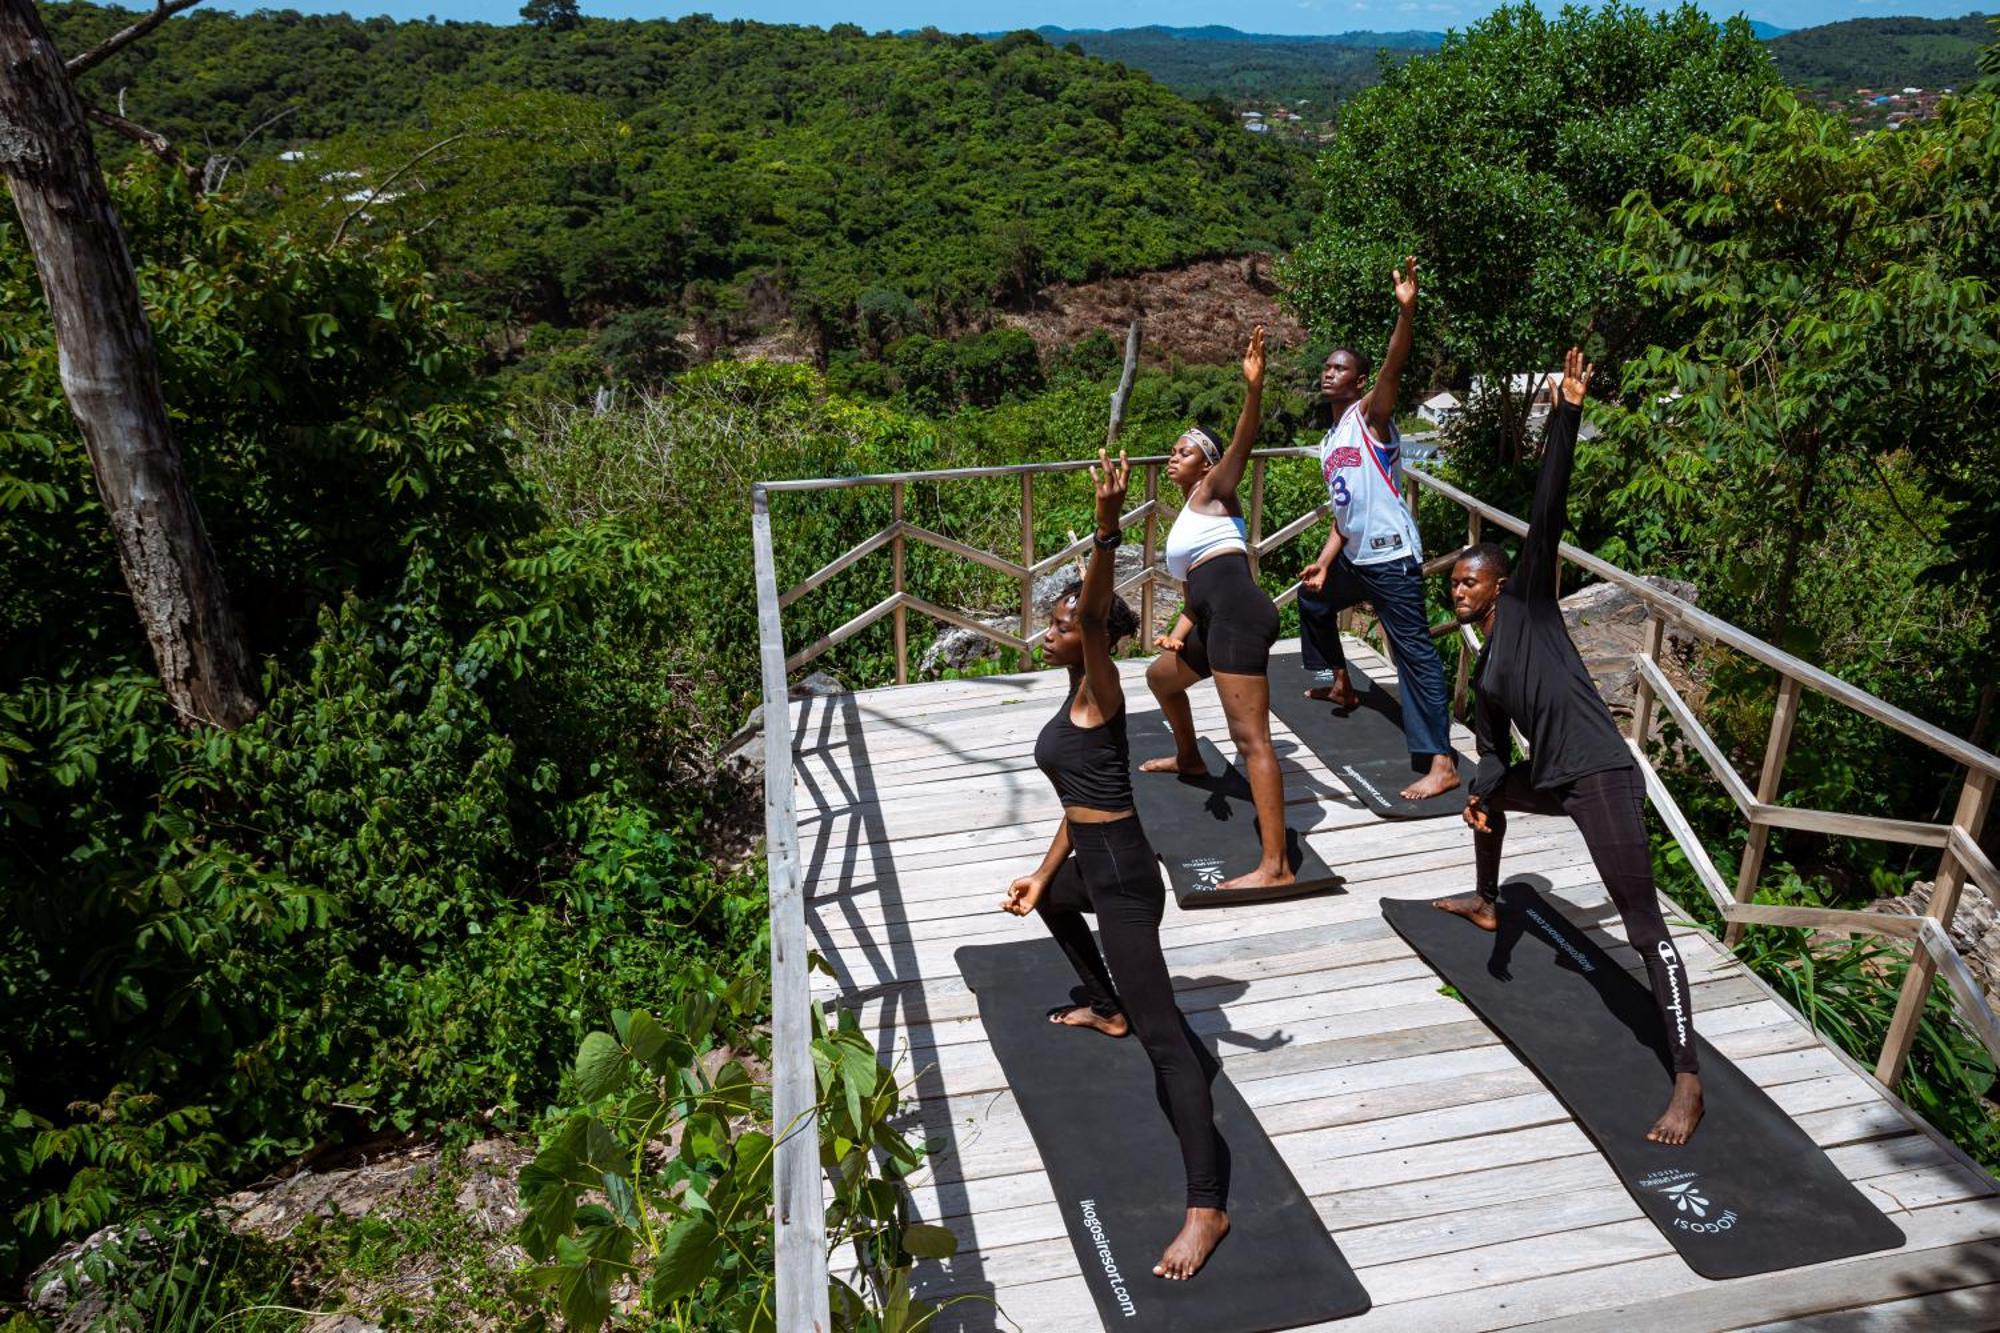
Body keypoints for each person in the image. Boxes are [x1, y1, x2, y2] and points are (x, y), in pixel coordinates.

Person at [1433, 347, 1704, 1146]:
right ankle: (1488, 901)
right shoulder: (1481, 668)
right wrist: (1482, 790)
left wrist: (1568, 411)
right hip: (1551, 777)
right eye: (1453, 583)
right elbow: (1487, 749)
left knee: (1642, 925)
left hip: (1601, 775)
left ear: (1500, 583)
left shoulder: (1531, 611)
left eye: (1469, 582)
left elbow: (1547, 506)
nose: (1459, 590)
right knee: (1487, 793)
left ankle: (1687, 1078)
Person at [1001, 448, 1231, 1280]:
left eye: (1062, 624)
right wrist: (1039, 871)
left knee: (1171, 1045)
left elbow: (1099, 620)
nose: (1054, 631)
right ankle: (1106, 1004)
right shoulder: (1071, 700)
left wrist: (1106, 530)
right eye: (1058, 625)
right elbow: (1075, 804)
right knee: (1055, 902)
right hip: (1090, 855)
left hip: (1128, 874)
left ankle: (1207, 1205)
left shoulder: (1100, 685)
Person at [1296, 256, 1459, 803]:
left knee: (1413, 652)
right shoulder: (1331, 438)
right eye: (1326, 367)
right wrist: (1323, 560)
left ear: (1359, 381)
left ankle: (1441, 761)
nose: (1329, 373)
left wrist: (1405, 315)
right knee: (1314, 600)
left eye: (1340, 368)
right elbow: (1346, 514)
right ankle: (1339, 683)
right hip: (1356, 556)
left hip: (1391, 558)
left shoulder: (1370, 417)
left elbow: (1393, 365)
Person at [1141, 325, 1292, 893]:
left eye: (1184, 451)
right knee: (1162, 678)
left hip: (1238, 618)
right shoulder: (1190, 515)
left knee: (1252, 741)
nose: (1174, 457)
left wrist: (1253, 390)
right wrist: (1178, 632)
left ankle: (1275, 866)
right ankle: (1189, 759)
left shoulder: (1215, 491)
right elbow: (1193, 590)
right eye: (1175, 450)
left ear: (1206, 466)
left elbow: (1241, 444)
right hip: (1212, 618)